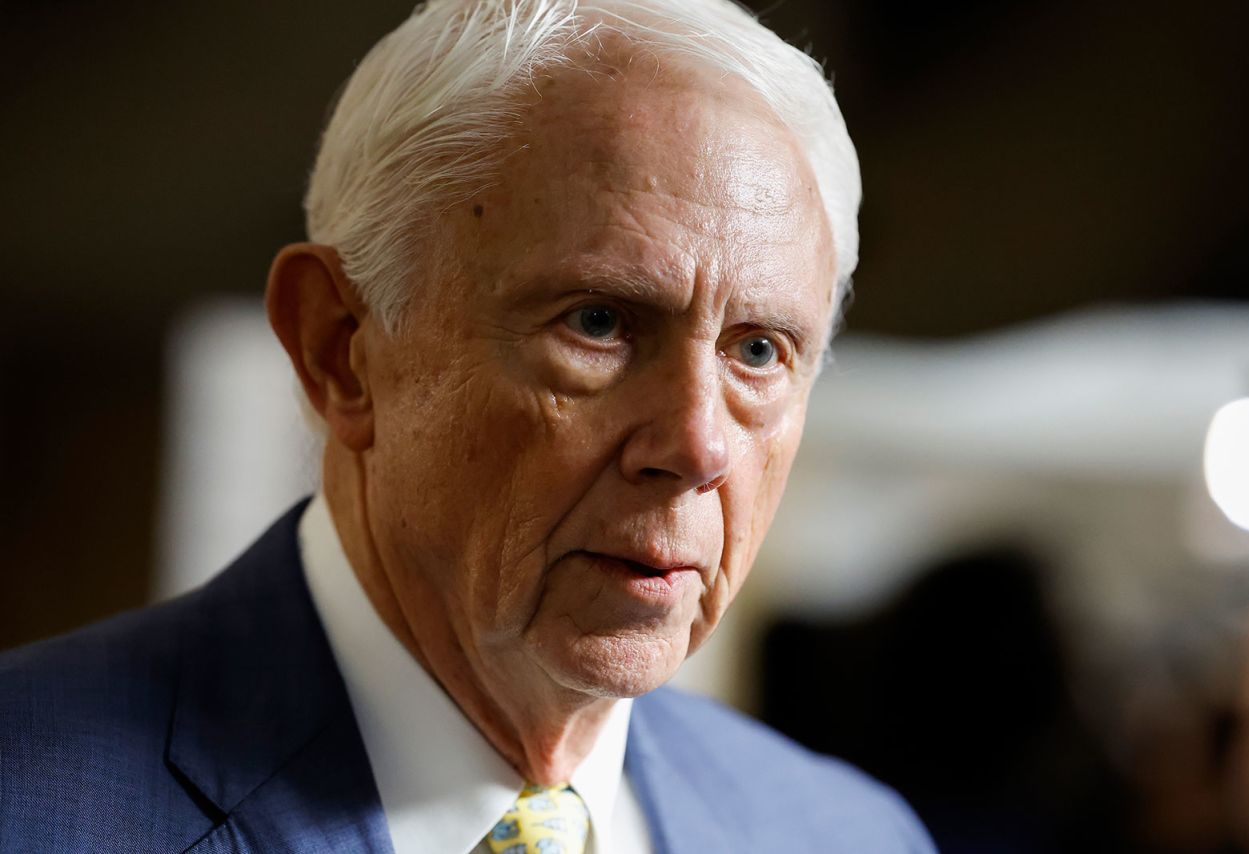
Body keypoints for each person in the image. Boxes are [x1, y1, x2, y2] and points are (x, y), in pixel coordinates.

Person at [0, 1, 935, 851]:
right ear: (340, 348)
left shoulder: (852, 835)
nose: (697, 447)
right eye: (599, 323)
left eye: (760, 353)